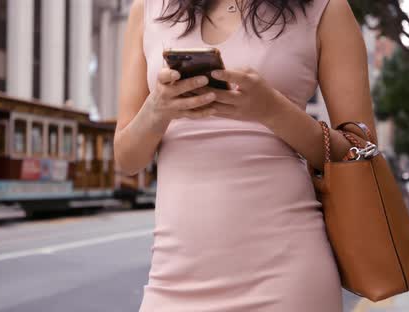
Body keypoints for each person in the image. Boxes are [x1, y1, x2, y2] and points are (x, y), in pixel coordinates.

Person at [114, 0, 377, 311]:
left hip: (286, 278)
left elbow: (362, 153)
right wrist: (156, 110)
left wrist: (273, 111)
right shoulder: (147, 9)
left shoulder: (326, 8)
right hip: (171, 279)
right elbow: (127, 159)